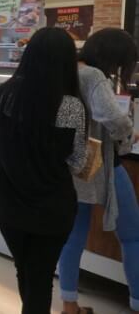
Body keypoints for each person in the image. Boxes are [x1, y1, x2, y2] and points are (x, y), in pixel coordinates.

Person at [0, 27, 87, 314]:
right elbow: (78, 162)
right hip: (52, 207)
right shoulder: (72, 106)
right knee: (40, 276)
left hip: (8, 200)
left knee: (24, 268)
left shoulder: (0, 94)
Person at [58, 28, 139, 314]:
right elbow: (113, 118)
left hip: (75, 165)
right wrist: (128, 134)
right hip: (103, 164)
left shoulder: (69, 70)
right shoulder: (94, 76)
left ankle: (69, 304)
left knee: (73, 237)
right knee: (132, 234)